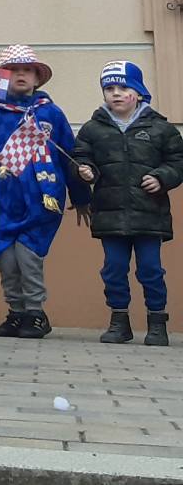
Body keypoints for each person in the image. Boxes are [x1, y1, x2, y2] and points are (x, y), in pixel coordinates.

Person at [0, 44, 88, 339]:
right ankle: (16, 312)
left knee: (28, 254)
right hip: (6, 199)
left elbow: (69, 157)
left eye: (27, 71)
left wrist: (82, 195)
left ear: (37, 79)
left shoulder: (50, 113)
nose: (20, 75)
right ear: (2, 78)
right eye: (13, 71)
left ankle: (36, 313)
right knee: (7, 258)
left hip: (42, 198)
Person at [73, 61, 183, 347]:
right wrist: (85, 170)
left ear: (138, 92)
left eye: (123, 87)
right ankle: (119, 321)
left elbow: (177, 162)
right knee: (113, 268)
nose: (116, 94)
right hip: (110, 214)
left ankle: (157, 322)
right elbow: (82, 156)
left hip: (150, 215)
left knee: (150, 269)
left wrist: (162, 178)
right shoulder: (92, 129)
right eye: (109, 88)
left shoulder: (160, 128)